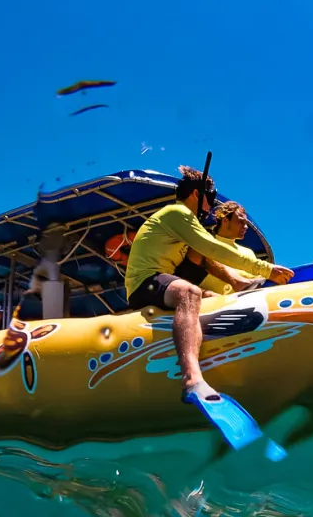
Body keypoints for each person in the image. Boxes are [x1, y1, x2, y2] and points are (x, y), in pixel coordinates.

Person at [125, 166, 294, 402]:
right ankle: (192, 378)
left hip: (164, 279)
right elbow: (213, 248)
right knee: (189, 292)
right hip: (145, 282)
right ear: (196, 194)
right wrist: (266, 269)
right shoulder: (177, 213)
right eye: (211, 198)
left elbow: (202, 254)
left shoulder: (184, 220)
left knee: (216, 301)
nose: (211, 206)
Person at [187, 201, 267, 295]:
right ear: (225, 221)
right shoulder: (205, 245)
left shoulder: (248, 252)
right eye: (241, 221)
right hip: (214, 303)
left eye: (246, 223)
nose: (245, 227)